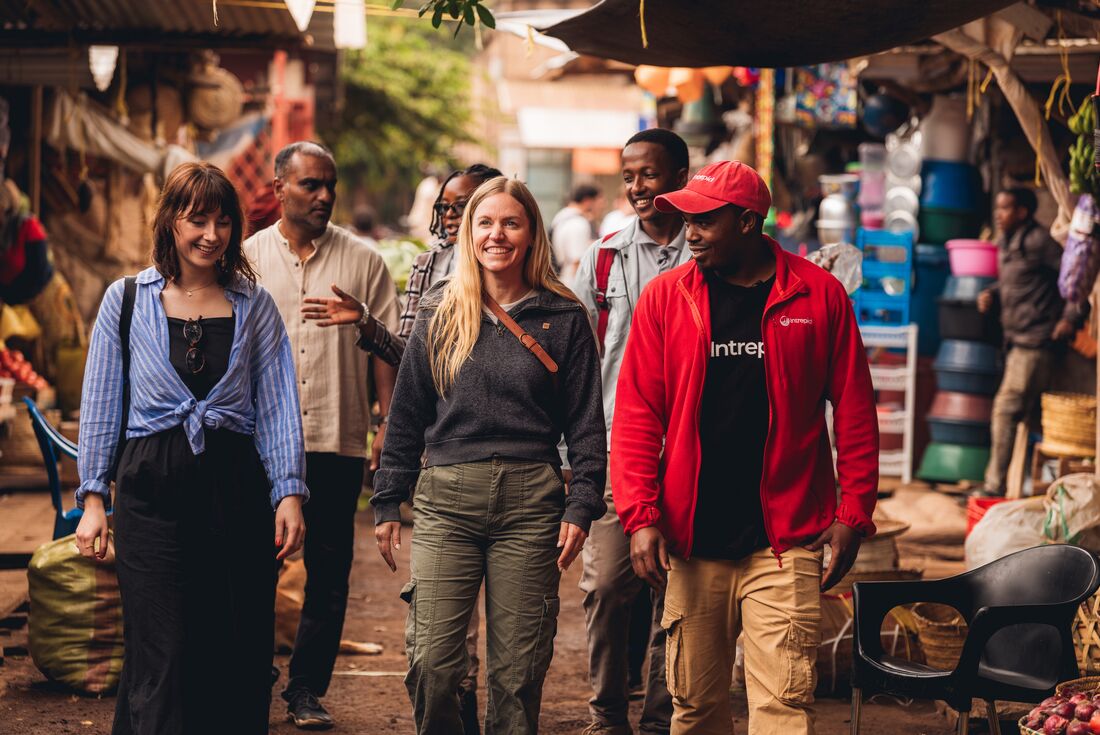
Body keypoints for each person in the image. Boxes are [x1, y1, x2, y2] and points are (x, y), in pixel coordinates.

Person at [611, 161, 878, 735]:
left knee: (783, 708)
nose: (691, 233)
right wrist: (639, 516)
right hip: (691, 538)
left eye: (705, 221)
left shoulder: (818, 295)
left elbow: (855, 409)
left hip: (785, 540)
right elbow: (637, 415)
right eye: (687, 220)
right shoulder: (666, 299)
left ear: (750, 222)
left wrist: (854, 512)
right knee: (697, 709)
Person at [75, 161, 308, 735]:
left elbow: (277, 405)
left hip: (236, 491)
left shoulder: (253, 306)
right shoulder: (126, 299)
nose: (211, 234)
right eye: (196, 220)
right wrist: (92, 498)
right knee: (163, 644)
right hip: (150, 490)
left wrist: (288, 492)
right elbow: (103, 400)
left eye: (223, 221)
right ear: (170, 223)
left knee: (235, 641)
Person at [373, 176, 607, 734]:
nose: (496, 234)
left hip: (532, 503)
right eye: (485, 222)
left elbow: (586, 425)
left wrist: (581, 505)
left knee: (518, 673)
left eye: (511, 223)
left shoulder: (564, 317)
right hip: (446, 500)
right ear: (468, 233)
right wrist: (386, 500)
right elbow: (406, 414)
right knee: (432, 661)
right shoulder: (440, 310)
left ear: (531, 235)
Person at [244, 141, 401, 729]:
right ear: (280, 188)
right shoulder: (246, 260)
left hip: (338, 437)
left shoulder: (364, 261)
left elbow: (384, 347)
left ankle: (306, 689)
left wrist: (386, 424)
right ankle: (253, 675)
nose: (324, 195)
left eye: (329, 185)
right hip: (262, 444)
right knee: (254, 564)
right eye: (310, 184)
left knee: (330, 571)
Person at [571, 128, 692, 735]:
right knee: (610, 584)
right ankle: (608, 712)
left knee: (682, 590)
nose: (637, 187)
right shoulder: (604, 256)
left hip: (695, 451)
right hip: (622, 447)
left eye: (649, 174)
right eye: (629, 176)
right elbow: (577, 358)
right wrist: (576, 447)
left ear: (681, 177)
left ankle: (662, 717)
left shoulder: (710, 253)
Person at [977, 187, 1081, 496]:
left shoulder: (1039, 241)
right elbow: (1019, 279)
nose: (999, 214)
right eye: (998, 208)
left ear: (1022, 212)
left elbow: (1075, 277)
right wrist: (993, 294)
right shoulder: (1008, 242)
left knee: (1006, 410)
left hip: (1034, 343)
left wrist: (1069, 318)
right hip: (1016, 341)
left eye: (1006, 208)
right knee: (1028, 417)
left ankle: (994, 486)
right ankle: (1021, 488)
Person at [399, 163, 503, 340]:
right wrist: (366, 322)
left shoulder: (506, 263)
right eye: (443, 207)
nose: (449, 215)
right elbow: (406, 346)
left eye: (461, 206)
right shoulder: (427, 264)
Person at [550, 184, 603, 281]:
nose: (601, 206)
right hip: (572, 283)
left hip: (562, 277)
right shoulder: (578, 223)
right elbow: (577, 263)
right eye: (598, 201)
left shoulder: (561, 217)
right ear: (588, 201)